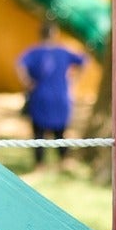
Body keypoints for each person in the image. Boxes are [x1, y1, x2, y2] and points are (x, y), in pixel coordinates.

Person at [16, 21, 88, 169]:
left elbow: (19, 64)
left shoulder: (33, 52)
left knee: (39, 134)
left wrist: (27, 82)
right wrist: (74, 80)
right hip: (60, 97)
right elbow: (84, 60)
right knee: (60, 133)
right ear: (55, 34)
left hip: (39, 97)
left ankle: (40, 165)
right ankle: (63, 161)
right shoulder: (63, 51)